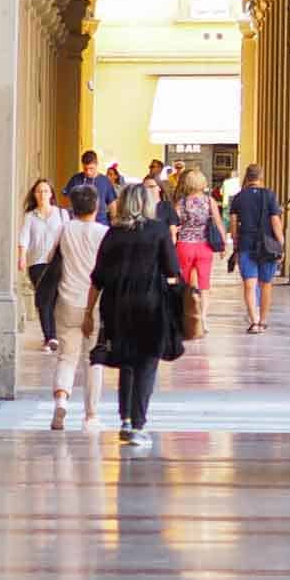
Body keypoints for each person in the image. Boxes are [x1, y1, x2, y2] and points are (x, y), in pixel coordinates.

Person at [83, 181, 181, 447]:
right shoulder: (159, 230)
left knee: (126, 361)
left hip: (116, 307)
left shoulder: (113, 234)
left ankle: (125, 420)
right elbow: (173, 269)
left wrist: (88, 312)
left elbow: (98, 277)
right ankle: (138, 424)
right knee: (147, 364)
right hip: (150, 306)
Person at [48, 182, 107, 430]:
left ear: (72, 206)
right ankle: (91, 415)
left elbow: (51, 259)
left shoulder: (64, 229)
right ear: (96, 206)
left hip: (67, 299)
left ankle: (61, 400)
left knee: (67, 356)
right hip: (94, 303)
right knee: (93, 359)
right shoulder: (103, 233)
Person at [230, 163, 284, 333]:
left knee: (249, 284)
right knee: (266, 284)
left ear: (247, 177)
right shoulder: (269, 196)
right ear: (261, 177)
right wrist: (281, 243)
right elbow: (275, 221)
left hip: (246, 243)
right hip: (268, 245)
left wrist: (235, 242)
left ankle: (254, 321)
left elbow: (233, 225)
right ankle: (263, 320)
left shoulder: (238, 197)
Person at [173, 165, 227, 331]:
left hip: (184, 245)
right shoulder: (209, 201)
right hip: (204, 246)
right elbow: (218, 222)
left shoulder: (181, 203)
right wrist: (223, 243)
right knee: (204, 283)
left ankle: (184, 316)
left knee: (184, 283)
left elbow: (174, 225)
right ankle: (203, 318)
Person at [17, 178, 66, 350]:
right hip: (36, 263)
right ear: (34, 194)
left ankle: (52, 335)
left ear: (51, 194)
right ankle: (50, 337)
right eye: (39, 191)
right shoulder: (30, 216)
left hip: (58, 262)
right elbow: (24, 238)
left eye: (45, 191)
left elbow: (68, 237)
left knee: (52, 299)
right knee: (44, 299)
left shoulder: (62, 214)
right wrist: (22, 257)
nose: (42, 194)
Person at [61, 149, 117, 226]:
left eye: (91, 168)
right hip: (78, 225)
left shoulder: (105, 181)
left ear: (97, 165)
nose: (88, 172)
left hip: (101, 225)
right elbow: (65, 201)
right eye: (85, 169)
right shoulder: (75, 179)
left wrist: (114, 225)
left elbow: (113, 206)